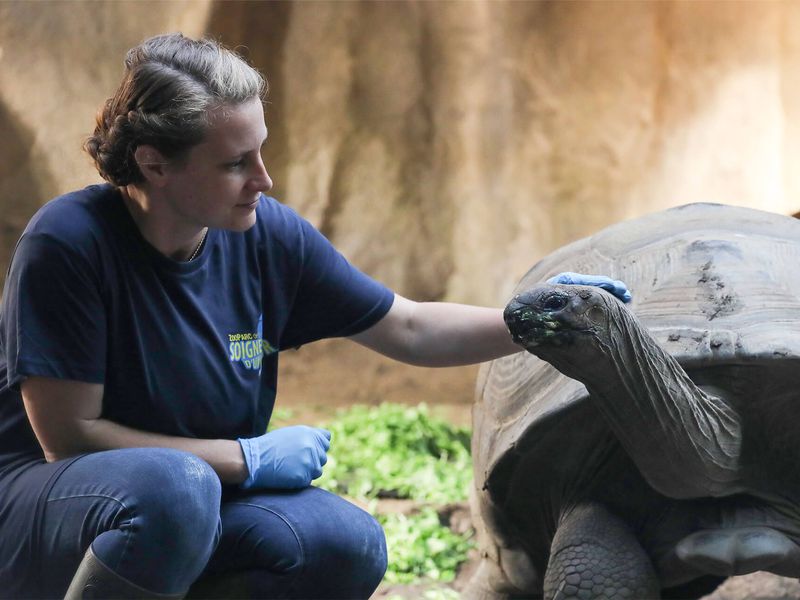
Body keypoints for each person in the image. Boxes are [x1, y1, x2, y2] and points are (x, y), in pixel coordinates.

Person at [0, 33, 630, 599]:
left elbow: (406, 326)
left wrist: (534, 320)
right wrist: (246, 460)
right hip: (49, 511)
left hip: (189, 506)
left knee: (344, 542)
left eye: (261, 153)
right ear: (153, 163)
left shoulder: (264, 236)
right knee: (177, 492)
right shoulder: (69, 243)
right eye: (234, 163)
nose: (264, 179)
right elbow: (69, 440)